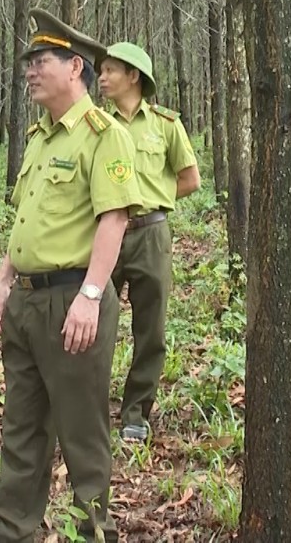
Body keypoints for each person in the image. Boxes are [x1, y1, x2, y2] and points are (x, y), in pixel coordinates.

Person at [0, 8, 142, 543]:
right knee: (22, 427)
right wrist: (4, 280)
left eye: (41, 60)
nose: (30, 70)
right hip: (27, 302)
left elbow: (114, 218)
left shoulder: (103, 135)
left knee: (82, 432)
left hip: (73, 300)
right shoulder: (42, 137)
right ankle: (9, 529)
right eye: (28, 60)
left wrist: (92, 295)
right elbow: (26, 218)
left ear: (74, 68)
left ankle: (95, 532)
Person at [96, 41, 199, 443]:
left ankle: (135, 413)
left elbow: (190, 178)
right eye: (100, 71)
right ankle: (90, 410)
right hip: (104, 231)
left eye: (110, 70)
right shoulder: (96, 126)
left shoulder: (165, 124)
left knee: (150, 329)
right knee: (94, 321)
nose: (101, 78)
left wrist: (153, 194)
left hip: (150, 235)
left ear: (134, 76)